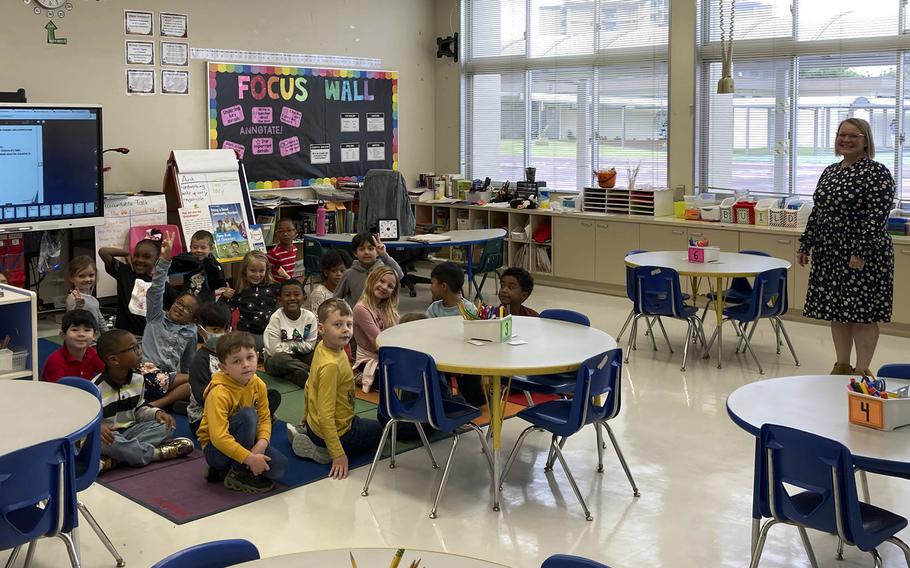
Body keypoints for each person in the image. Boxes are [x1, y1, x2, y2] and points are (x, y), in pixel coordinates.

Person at [798, 117, 896, 377]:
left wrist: (860, 252)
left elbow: (877, 216)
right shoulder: (831, 171)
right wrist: (806, 243)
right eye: (842, 135)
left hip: (864, 254)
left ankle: (862, 369)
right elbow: (819, 211)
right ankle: (841, 365)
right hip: (831, 252)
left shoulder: (877, 172)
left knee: (863, 313)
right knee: (838, 311)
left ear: (865, 142)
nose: (846, 140)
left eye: (854, 136)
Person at [286, 298, 382, 479]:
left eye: (349, 324)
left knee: (360, 422)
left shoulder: (323, 348)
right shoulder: (331, 365)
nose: (346, 329)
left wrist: (307, 414)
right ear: (321, 329)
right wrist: (338, 454)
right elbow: (326, 413)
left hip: (316, 425)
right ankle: (323, 451)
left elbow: (309, 386)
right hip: (337, 431)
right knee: (380, 430)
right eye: (338, 324)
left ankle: (311, 436)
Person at [196, 331, 288, 493]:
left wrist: (262, 444)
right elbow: (218, 438)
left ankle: (225, 471)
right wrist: (250, 459)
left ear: (257, 357)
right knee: (248, 416)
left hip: (246, 444)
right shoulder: (219, 393)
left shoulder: (258, 384)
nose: (245, 364)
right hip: (216, 450)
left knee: (279, 467)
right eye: (237, 361)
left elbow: (265, 418)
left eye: (250, 358)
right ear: (223, 367)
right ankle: (238, 473)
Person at [93, 329, 194, 473]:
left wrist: (156, 413)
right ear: (114, 360)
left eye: (138, 346)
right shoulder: (96, 388)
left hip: (131, 431)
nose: (139, 352)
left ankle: (115, 459)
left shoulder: (138, 379)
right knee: (104, 441)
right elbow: (85, 422)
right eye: (133, 349)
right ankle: (154, 454)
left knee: (166, 426)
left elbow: (139, 410)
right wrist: (98, 427)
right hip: (111, 437)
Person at [188, 302, 282, 437]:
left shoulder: (233, 354)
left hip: (237, 405)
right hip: (207, 417)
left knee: (272, 396)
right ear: (202, 331)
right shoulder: (200, 360)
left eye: (226, 329)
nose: (222, 334)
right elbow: (204, 398)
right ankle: (250, 424)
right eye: (215, 330)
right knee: (248, 416)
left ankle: (251, 422)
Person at [140, 231, 195, 409]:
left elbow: (188, 364)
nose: (180, 308)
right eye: (179, 303)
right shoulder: (156, 317)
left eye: (187, 309)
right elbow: (156, 290)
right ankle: (166, 403)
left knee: (192, 384)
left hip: (168, 379)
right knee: (197, 379)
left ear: (192, 318)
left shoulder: (191, 332)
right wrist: (164, 260)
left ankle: (158, 403)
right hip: (145, 373)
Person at [99, 238, 176, 337]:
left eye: (146, 257)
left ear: (156, 260)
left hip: (149, 337)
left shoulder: (160, 285)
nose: (140, 260)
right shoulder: (124, 272)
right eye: (136, 255)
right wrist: (126, 253)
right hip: (123, 333)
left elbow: (172, 308)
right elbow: (103, 252)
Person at [220, 250, 281, 352]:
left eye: (261, 271)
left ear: (267, 270)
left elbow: (295, 294)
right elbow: (222, 312)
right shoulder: (240, 291)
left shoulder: (274, 287)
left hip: (271, 332)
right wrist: (224, 297)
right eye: (253, 270)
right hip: (248, 334)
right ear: (245, 271)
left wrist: (287, 278)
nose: (257, 275)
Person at [353, 266, 400, 393]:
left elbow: (398, 334)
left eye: (390, 286)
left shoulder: (388, 309)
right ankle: (360, 376)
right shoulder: (361, 309)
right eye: (381, 281)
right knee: (404, 382)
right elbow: (378, 343)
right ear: (372, 280)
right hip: (370, 362)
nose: (384, 287)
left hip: (387, 357)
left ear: (393, 292)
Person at [263, 279, 318, 387]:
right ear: (279, 300)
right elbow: (274, 350)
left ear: (304, 298)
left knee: (320, 349)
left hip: (301, 356)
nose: (292, 298)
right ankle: (311, 372)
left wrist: (291, 346)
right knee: (277, 360)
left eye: (297, 295)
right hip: (280, 359)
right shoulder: (276, 318)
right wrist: (296, 345)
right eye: (287, 295)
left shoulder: (310, 317)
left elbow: (310, 346)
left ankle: (293, 375)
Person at [334, 233, 404, 308]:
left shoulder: (383, 270)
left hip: (379, 314)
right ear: (355, 253)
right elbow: (336, 298)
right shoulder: (349, 274)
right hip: (356, 315)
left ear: (377, 251)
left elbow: (399, 275)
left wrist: (384, 255)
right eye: (361, 249)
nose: (366, 252)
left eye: (371, 248)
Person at [41, 309, 105, 383]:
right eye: (75, 330)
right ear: (63, 335)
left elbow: (107, 373)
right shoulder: (55, 362)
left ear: (94, 335)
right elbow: (57, 391)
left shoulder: (93, 354)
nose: (81, 334)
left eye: (87, 330)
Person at [167, 230, 227, 303]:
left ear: (211, 249)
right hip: (187, 300)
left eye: (203, 248)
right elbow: (170, 266)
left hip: (206, 303)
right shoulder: (187, 260)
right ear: (190, 247)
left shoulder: (214, 265)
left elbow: (218, 282)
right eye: (195, 247)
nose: (199, 250)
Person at [65, 255, 108, 332]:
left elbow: (100, 320)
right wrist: (79, 305)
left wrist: (107, 335)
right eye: (82, 276)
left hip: (93, 336)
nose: (87, 279)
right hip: (80, 337)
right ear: (72, 278)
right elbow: (72, 320)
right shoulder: (73, 297)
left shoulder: (93, 299)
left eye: (91, 275)